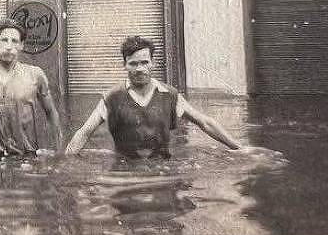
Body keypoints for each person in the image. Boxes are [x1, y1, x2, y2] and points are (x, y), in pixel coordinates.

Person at [65, 35, 240, 159]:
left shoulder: (170, 95)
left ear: (152, 63)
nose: (140, 68)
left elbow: (205, 122)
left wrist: (240, 148)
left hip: (162, 168)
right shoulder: (112, 98)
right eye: (133, 63)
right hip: (124, 172)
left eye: (144, 62)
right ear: (124, 65)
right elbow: (84, 132)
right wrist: (66, 162)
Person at [0, 18, 63, 163]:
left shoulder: (35, 75)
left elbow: (51, 113)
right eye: (4, 40)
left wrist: (58, 154)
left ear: (21, 45)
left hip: (25, 160)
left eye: (14, 41)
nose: (8, 46)